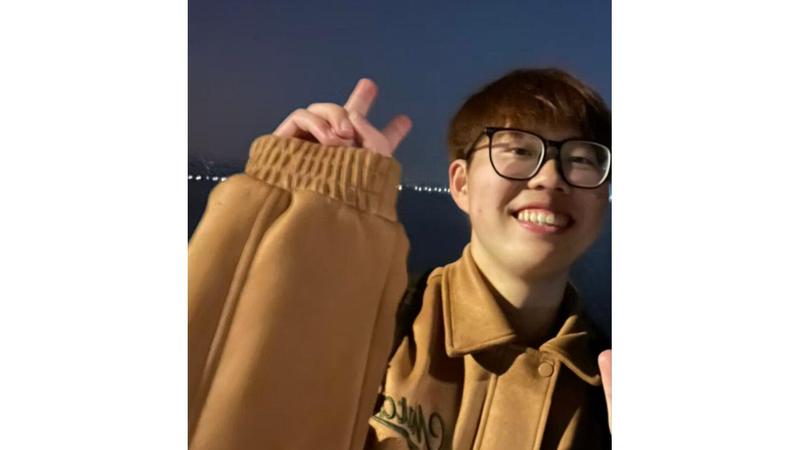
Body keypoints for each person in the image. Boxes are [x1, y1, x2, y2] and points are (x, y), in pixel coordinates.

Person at [188, 68, 612, 450]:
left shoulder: (608, 391)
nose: (550, 177)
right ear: (461, 184)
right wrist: (291, 210)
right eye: (518, 151)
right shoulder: (375, 325)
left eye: (580, 159)